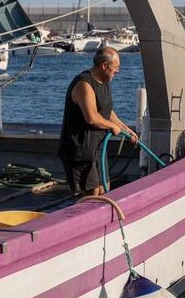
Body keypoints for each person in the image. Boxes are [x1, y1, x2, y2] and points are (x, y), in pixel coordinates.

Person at [57, 47, 138, 195]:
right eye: (116, 67)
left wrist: (126, 129)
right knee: (92, 193)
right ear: (104, 66)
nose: (118, 71)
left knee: (104, 188)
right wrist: (113, 127)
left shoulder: (104, 81)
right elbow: (92, 117)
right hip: (80, 149)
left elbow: (107, 112)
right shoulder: (84, 84)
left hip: (98, 147)